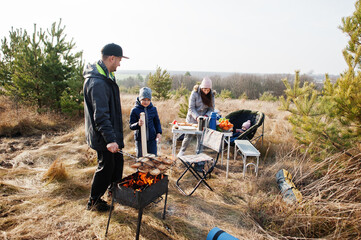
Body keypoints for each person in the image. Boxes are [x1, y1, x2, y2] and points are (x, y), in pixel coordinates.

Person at [83, 43, 128, 211]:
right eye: (119, 60)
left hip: (112, 132)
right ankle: (94, 201)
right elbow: (100, 116)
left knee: (118, 161)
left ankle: (113, 191)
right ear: (112, 58)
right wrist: (110, 140)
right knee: (106, 167)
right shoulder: (98, 83)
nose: (119, 64)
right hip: (103, 135)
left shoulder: (107, 76)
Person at [177, 77, 216, 157]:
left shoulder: (211, 95)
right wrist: (197, 117)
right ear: (201, 87)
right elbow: (191, 108)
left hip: (204, 119)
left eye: (208, 90)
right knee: (188, 136)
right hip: (192, 118)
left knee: (201, 137)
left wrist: (205, 116)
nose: (206, 91)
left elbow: (211, 109)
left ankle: (198, 153)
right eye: (204, 89)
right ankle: (182, 151)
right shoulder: (194, 93)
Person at [129, 87, 162, 157]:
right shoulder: (135, 110)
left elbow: (157, 122)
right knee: (141, 160)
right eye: (144, 99)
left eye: (148, 100)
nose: (146, 102)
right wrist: (138, 124)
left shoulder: (153, 109)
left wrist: (158, 133)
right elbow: (131, 126)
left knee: (153, 159)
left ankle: (152, 168)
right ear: (140, 98)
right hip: (140, 140)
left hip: (151, 139)